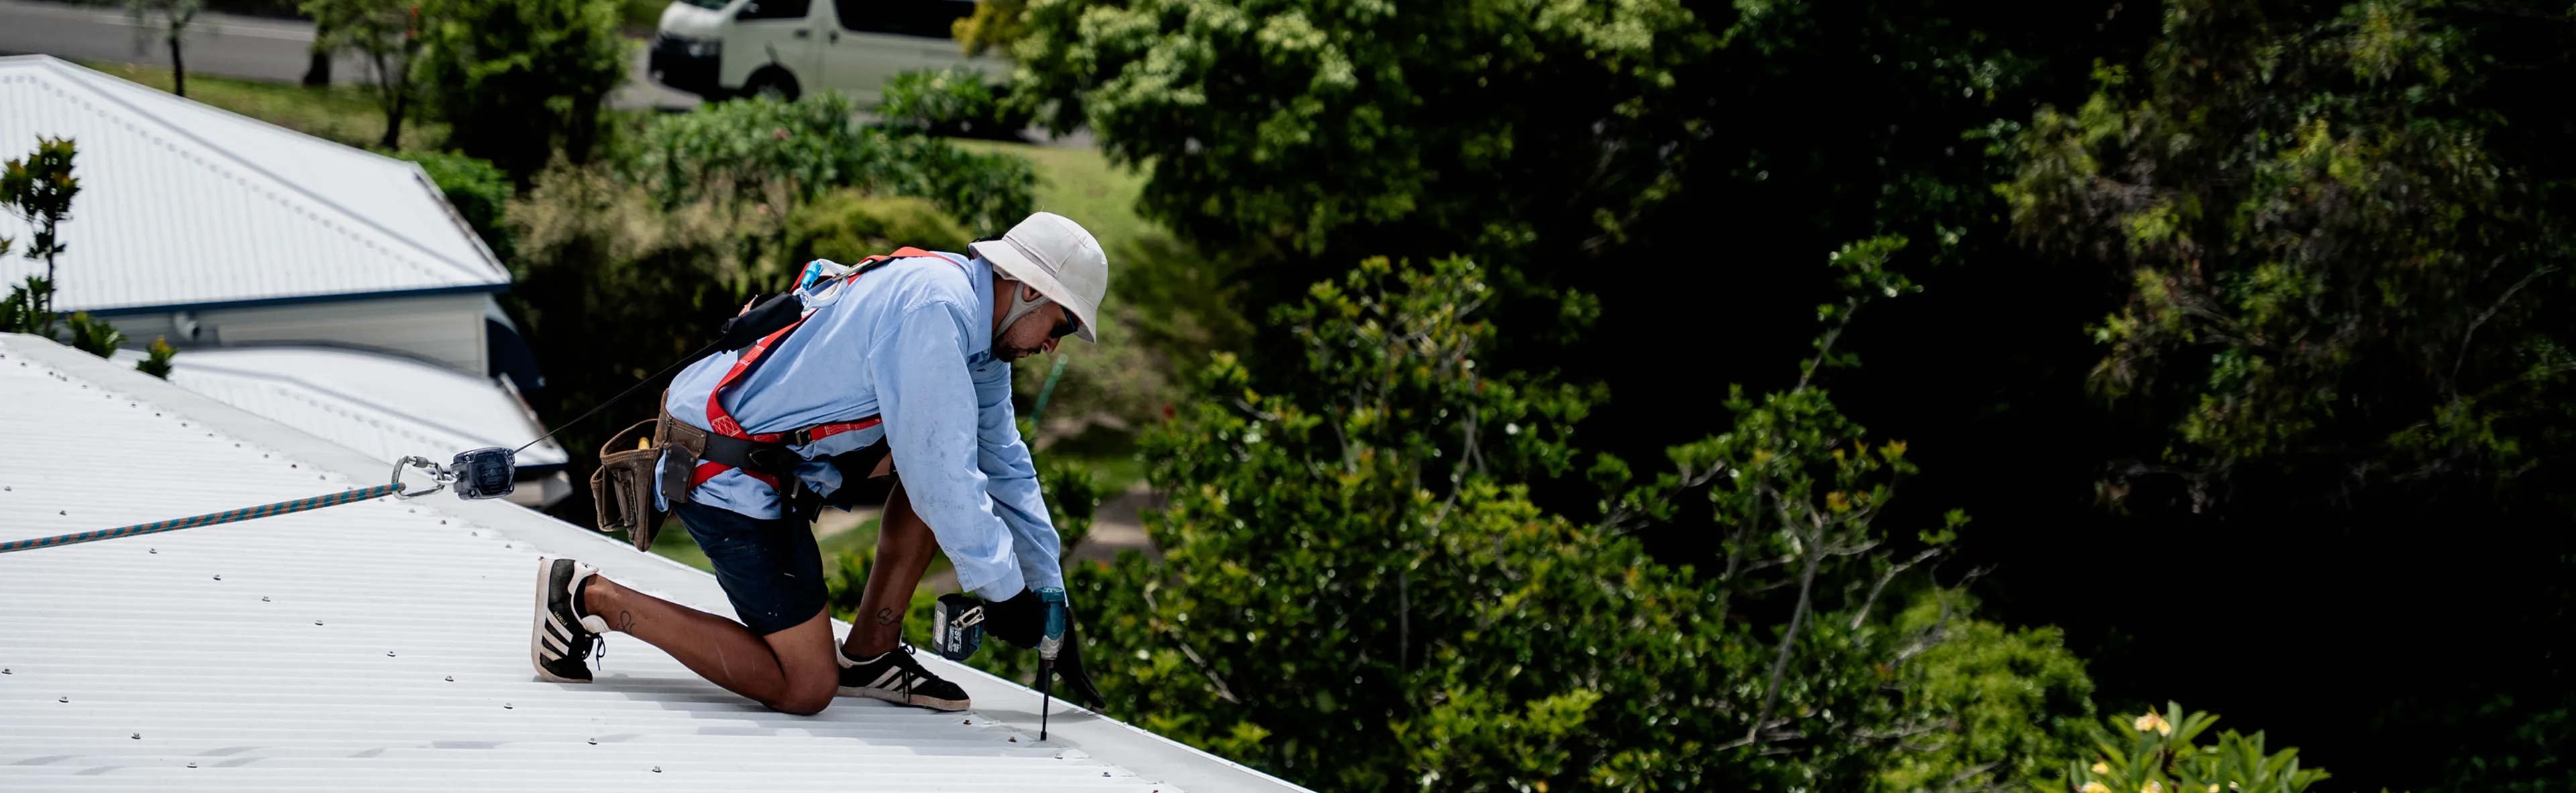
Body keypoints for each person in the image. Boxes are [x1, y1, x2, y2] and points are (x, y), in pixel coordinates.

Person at [525, 212, 1106, 715]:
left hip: (764, 453)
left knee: (948, 450)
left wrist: (1048, 591)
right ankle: (586, 598)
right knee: (804, 686)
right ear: (1030, 290)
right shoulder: (935, 307)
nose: (1054, 346)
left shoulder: (975, 327)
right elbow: (944, 481)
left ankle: (870, 658)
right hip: (721, 464)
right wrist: (1005, 598)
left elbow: (1003, 462)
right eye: (1062, 325)